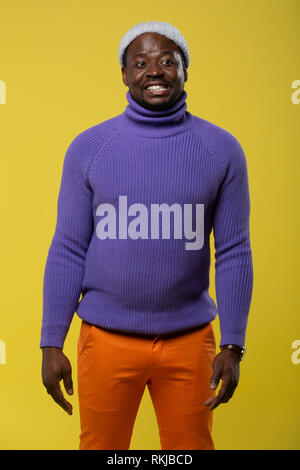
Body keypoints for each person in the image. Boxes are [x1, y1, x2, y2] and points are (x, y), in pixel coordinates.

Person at [40, 20, 254, 450]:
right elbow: (68, 248)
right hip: (105, 340)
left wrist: (233, 344)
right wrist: (51, 342)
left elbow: (233, 251)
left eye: (167, 61)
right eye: (141, 62)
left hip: (190, 343)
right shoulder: (89, 147)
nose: (154, 71)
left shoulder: (221, 149)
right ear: (124, 75)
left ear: (185, 70)